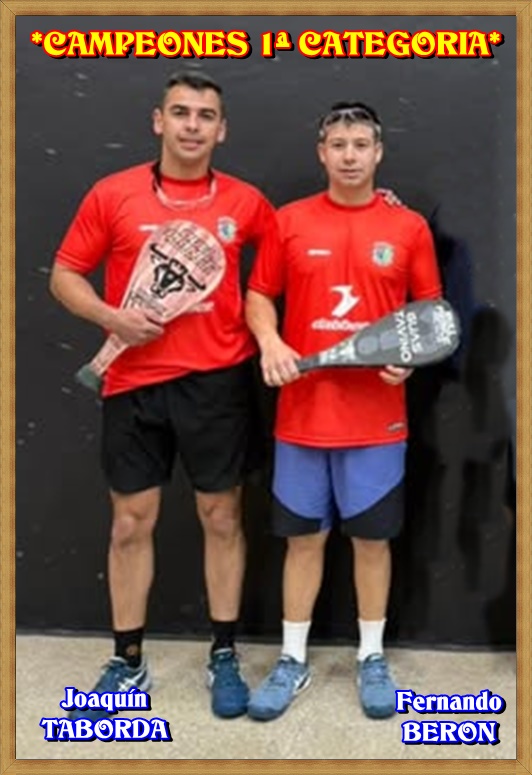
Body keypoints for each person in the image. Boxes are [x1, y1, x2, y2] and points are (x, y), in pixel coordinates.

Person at [49, 71, 279, 720]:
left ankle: (224, 654)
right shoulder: (112, 194)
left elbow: (290, 248)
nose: (192, 125)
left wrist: (373, 204)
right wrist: (111, 318)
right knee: (130, 522)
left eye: (205, 115)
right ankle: (127, 661)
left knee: (222, 517)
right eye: (180, 112)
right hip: (133, 383)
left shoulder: (247, 202)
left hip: (217, 383)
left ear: (221, 129)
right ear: (158, 120)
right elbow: (65, 275)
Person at [244, 101, 443, 721]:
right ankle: (292, 659)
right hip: (302, 418)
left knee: (371, 543)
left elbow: (429, 315)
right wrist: (271, 342)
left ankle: (372, 657)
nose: (349, 156)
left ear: (378, 152)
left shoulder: (409, 228)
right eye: (338, 145)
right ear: (322, 153)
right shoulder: (289, 221)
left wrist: (409, 358)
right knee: (303, 542)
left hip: (377, 422)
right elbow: (258, 295)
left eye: (360, 145)